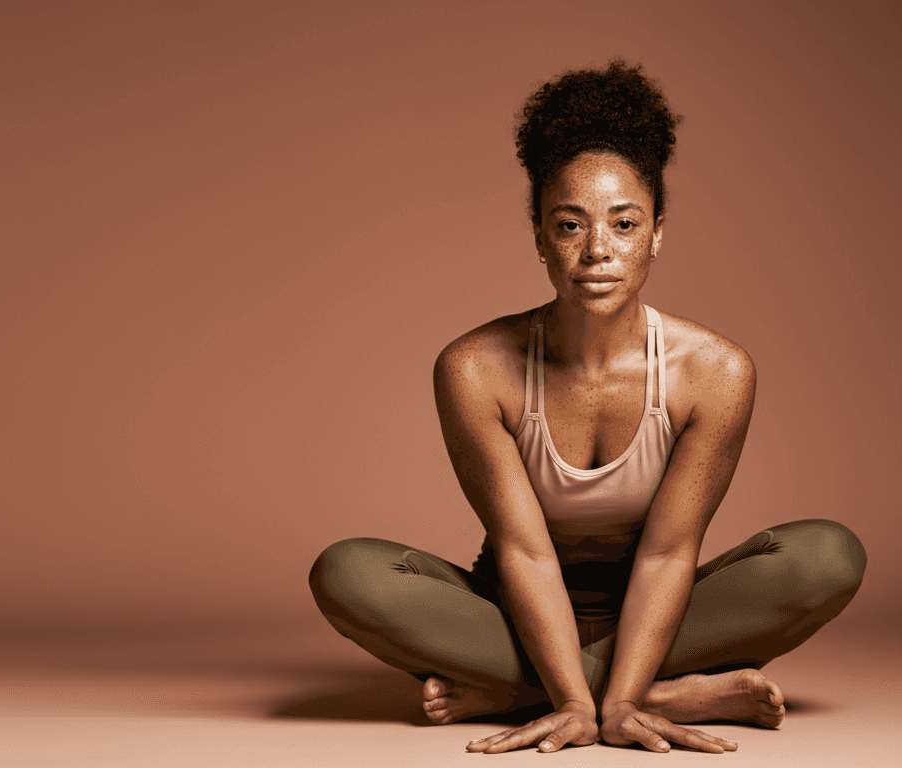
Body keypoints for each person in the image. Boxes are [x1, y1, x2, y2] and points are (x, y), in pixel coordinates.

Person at [308, 60, 866, 755]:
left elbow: (667, 554)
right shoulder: (475, 368)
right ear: (539, 233)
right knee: (346, 572)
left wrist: (603, 695)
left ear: (657, 231)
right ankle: (642, 692)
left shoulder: (716, 372)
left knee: (827, 555)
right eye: (570, 225)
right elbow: (524, 549)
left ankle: (532, 691)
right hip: (512, 612)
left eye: (624, 224)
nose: (597, 251)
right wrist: (582, 701)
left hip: (664, 613)